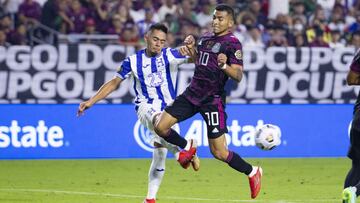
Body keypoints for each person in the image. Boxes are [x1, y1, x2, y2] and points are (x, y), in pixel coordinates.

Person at [77, 23, 200, 203]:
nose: (158, 44)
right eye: (155, 39)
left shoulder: (171, 55)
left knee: (159, 153)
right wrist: (90, 101)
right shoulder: (132, 62)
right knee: (160, 125)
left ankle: (150, 198)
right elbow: (113, 83)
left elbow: (196, 60)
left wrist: (191, 49)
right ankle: (185, 148)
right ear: (146, 38)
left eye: (162, 41)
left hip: (171, 110)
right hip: (145, 107)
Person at [154, 4, 263, 199]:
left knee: (219, 152)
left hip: (212, 100)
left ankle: (252, 171)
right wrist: (192, 49)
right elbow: (199, 61)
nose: (215, 21)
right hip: (192, 94)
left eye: (220, 18)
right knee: (161, 127)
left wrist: (224, 65)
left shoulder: (232, 43)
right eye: (214, 17)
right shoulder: (205, 38)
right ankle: (188, 146)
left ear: (230, 22)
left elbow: (237, 75)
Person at [343, 48, 360, 203]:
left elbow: (351, 79)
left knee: (357, 166)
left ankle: (348, 196)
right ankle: (355, 190)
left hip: (358, 118)